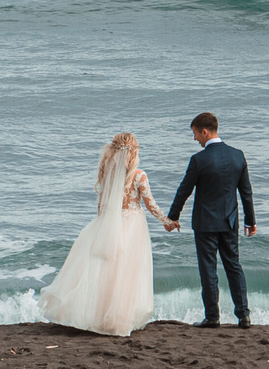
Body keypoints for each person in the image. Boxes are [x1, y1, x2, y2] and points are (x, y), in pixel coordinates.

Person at [39, 131, 166, 335]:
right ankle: (118, 319)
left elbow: (102, 205)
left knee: (107, 271)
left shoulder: (108, 172)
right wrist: (167, 221)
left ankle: (100, 317)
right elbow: (151, 204)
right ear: (134, 152)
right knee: (127, 272)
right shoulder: (139, 175)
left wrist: (103, 226)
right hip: (132, 226)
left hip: (109, 223)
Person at [164, 110, 256, 328]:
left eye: (195, 134)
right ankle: (244, 316)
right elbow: (246, 192)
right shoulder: (238, 155)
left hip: (205, 223)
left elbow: (183, 190)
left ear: (205, 131)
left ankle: (213, 317)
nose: (195, 138)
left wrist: (172, 217)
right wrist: (250, 221)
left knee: (208, 269)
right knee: (234, 266)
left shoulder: (199, 160)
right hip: (230, 221)